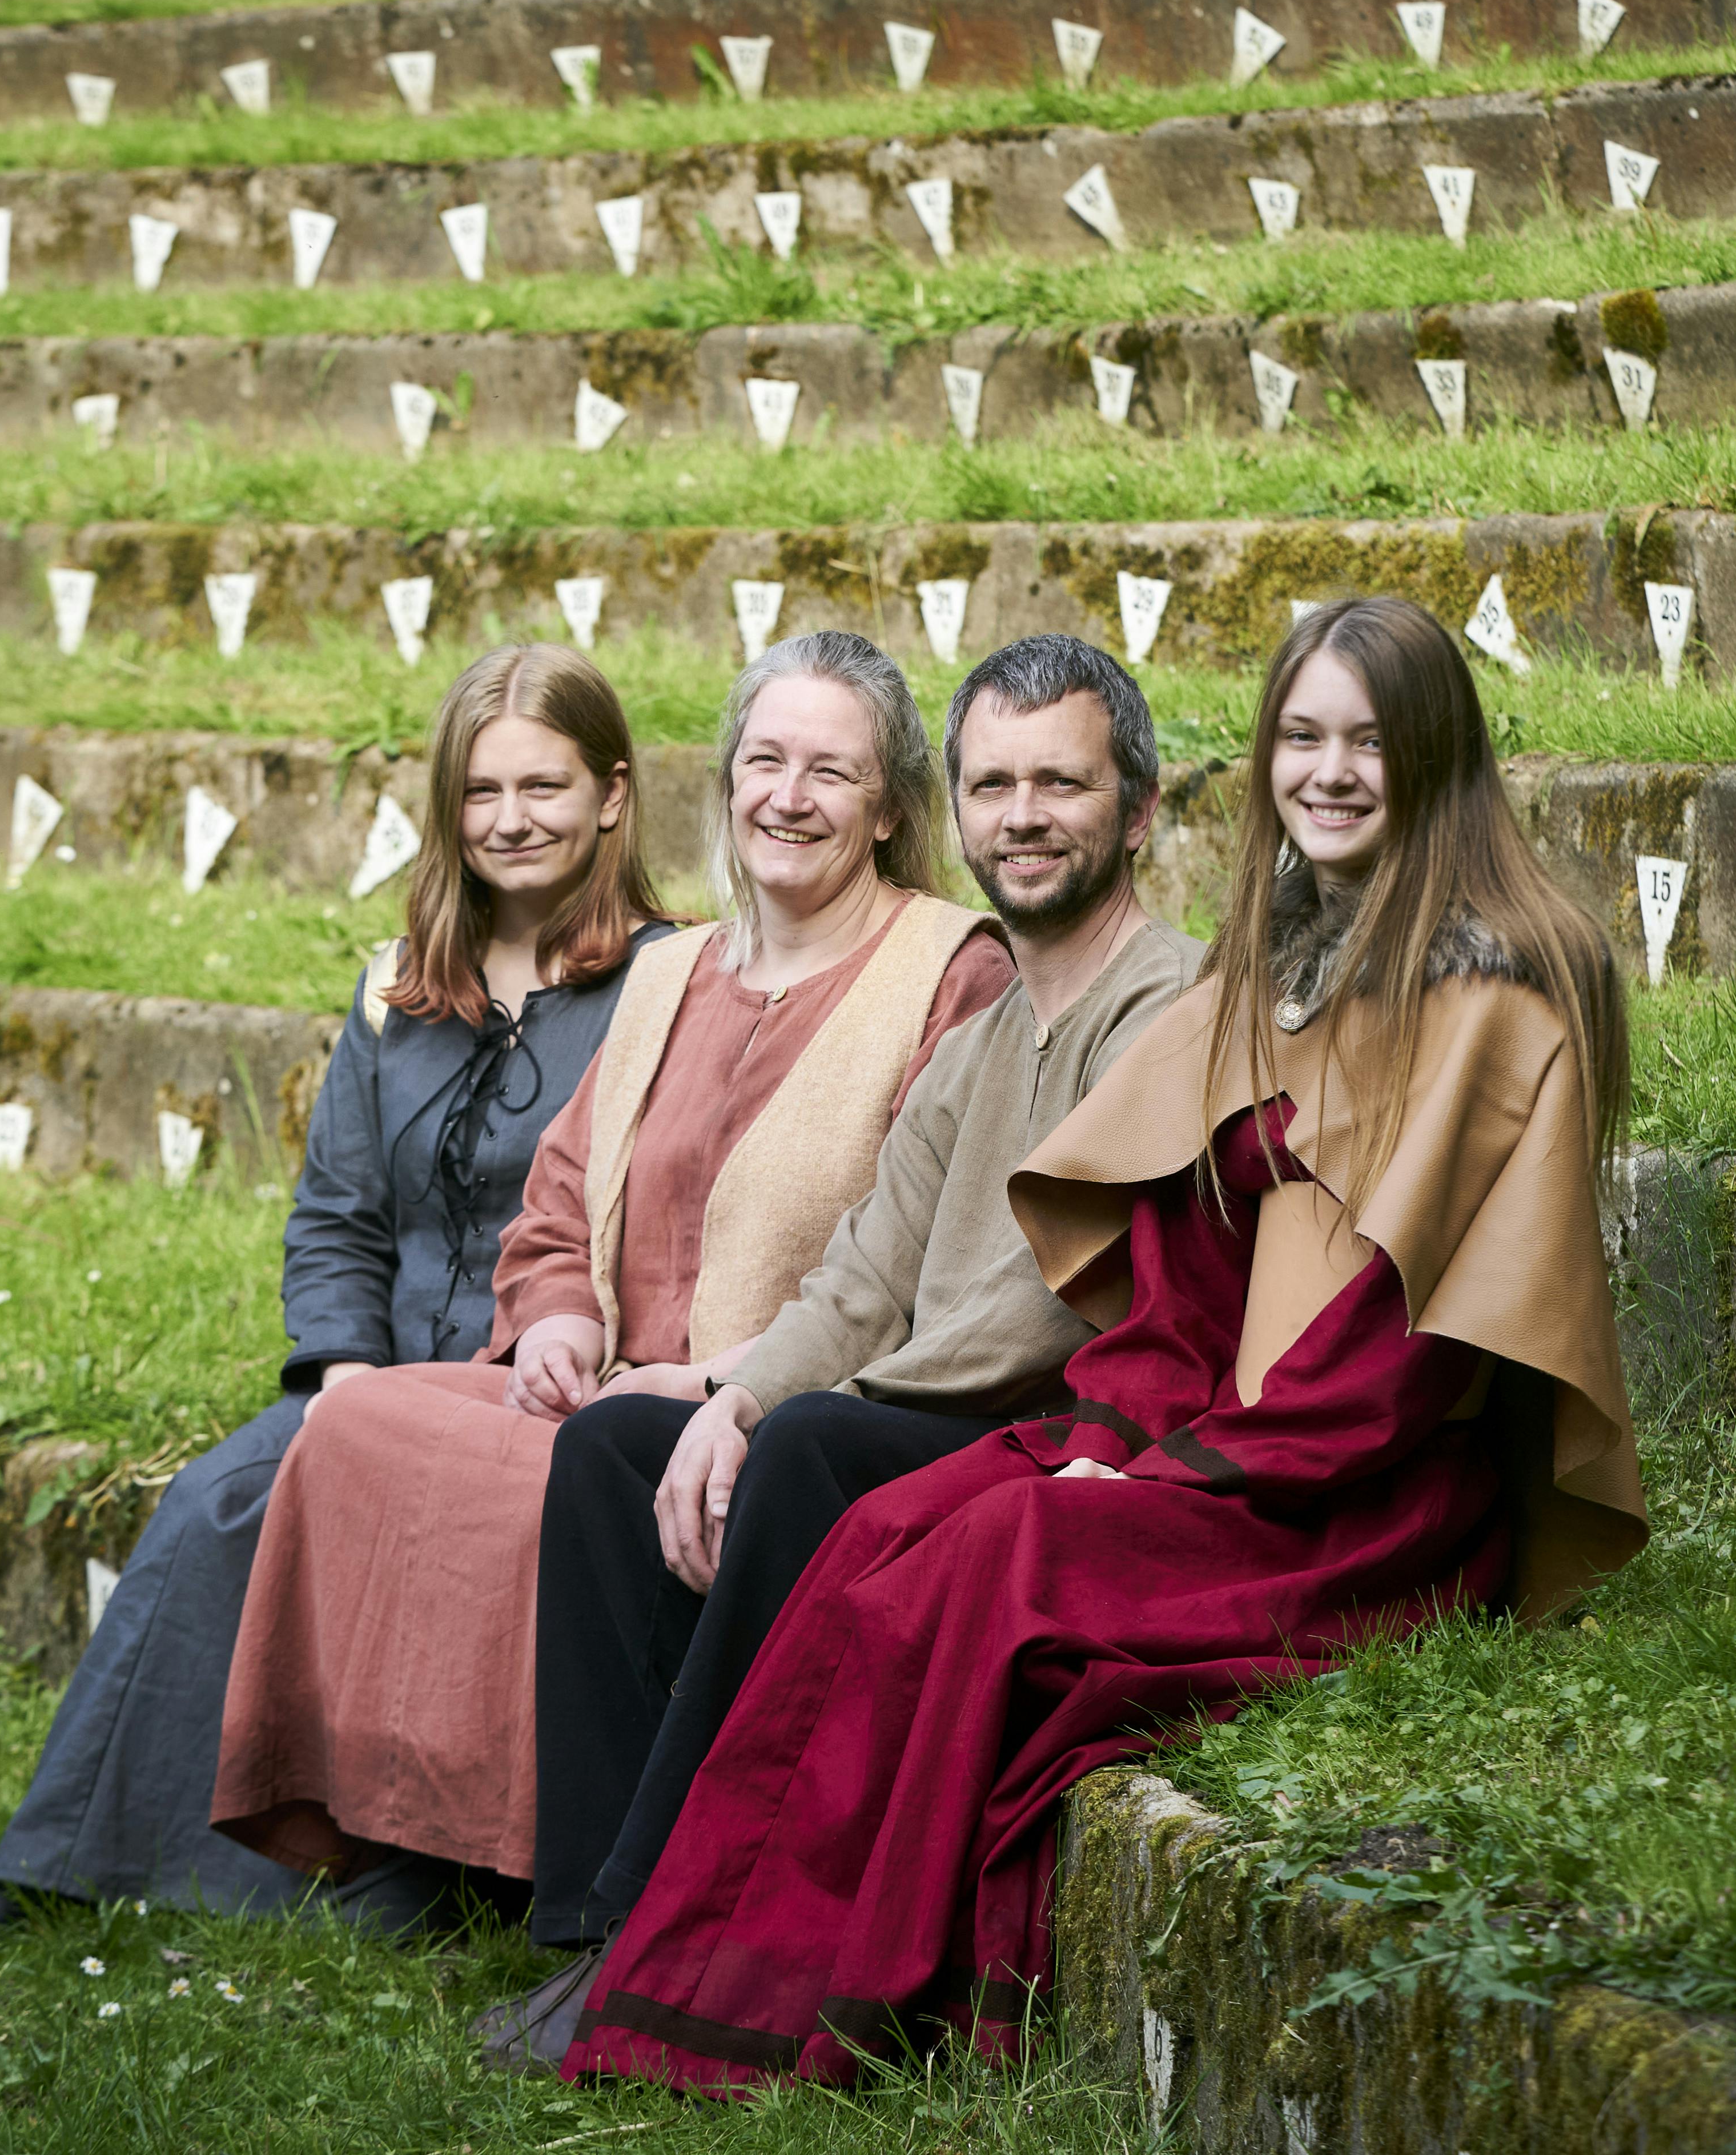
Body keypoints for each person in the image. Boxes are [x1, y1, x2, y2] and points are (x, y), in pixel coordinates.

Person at [546, 595, 1650, 2092]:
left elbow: (1393, 1361)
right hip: (1207, 1451)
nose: (1326, 773)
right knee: (889, 1529)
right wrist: (1103, 1437)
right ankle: (687, 1969)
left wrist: (1163, 1475)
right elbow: (1176, 1287)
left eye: (1365, 743)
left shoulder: (1496, 998)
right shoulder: (1274, 979)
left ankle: (810, 1998)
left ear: (1434, 759)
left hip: (1349, 1498)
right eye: (1299, 739)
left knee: (995, 1566)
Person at [476, 633, 1205, 2070]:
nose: (1023, 814)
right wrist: (734, 1388)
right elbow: (869, 1271)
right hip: (927, 1408)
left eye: (1061, 782)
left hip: (1066, 1432)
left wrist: (792, 1412)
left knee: (814, 1444)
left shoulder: (1168, 1003)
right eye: (995, 784)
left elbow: (1050, 1309)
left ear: (1139, 808)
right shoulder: (990, 1034)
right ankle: (589, 1935)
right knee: (622, 1442)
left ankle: (664, 1930)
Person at [206, 632, 1014, 1915]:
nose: (787, 797)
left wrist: (734, 1376)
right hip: (601, 1381)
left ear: (891, 808)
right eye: (763, 761)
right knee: (356, 1419)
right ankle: (420, 1827)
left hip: (770, 1401)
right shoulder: (676, 967)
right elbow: (561, 1194)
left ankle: (509, 1852)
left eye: (829, 773)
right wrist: (555, 1317)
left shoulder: (953, 968)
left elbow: (926, 1250)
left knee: (557, 1474)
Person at [0, 642, 674, 1935]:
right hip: (378, 1380)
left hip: (547, 1393)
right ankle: (65, 1863)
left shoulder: (671, 986)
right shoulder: (394, 989)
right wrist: (344, 1375)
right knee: (221, 1495)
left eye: (544, 787)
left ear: (613, 795)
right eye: (479, 791)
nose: (509, 820)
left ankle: (404, 1874)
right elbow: (338, 1217)